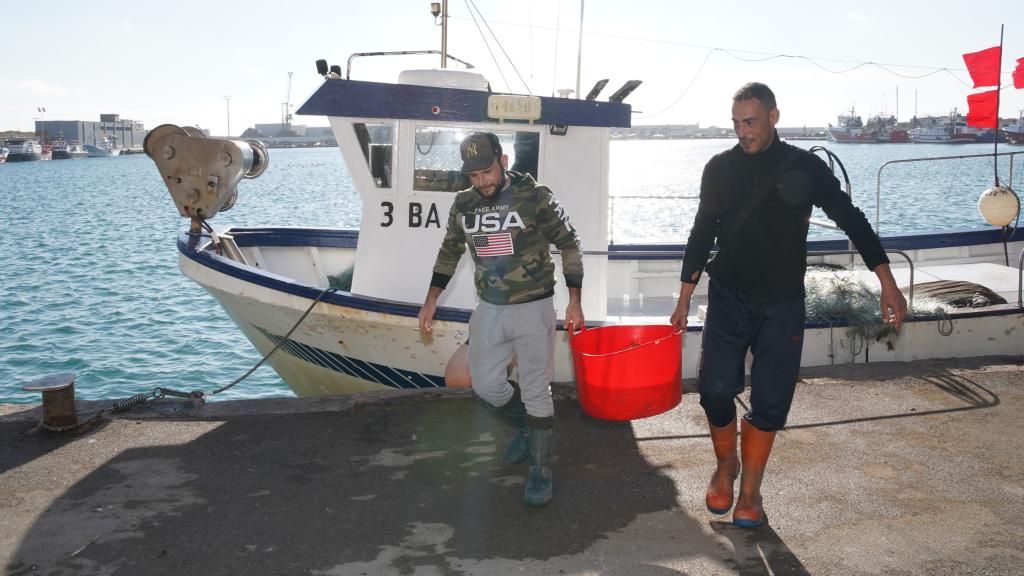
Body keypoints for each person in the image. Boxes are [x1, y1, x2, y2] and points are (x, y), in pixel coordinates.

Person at [670, 82, 907, 528]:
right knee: (716, 389)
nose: (743, 131)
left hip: (782, 299)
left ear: (774, 117)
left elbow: (850, 219)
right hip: (729, 294)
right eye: (737, 123)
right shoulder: (719, 168)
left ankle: (752, 490)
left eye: (751, 122)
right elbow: (702, 231)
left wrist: (887, 282)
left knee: (771, 400)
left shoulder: (805, 166)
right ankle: (726, 467)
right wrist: (685, 295)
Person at [418, 132, 585, 507]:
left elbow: (569, 244)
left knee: (535, 388)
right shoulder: (463, 204)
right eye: (473, 175)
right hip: (489, 307)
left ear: (504, 161)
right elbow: (448, 253)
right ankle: (527, 428)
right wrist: (430, 301)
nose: (482, 181)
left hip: (534, 306)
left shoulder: (536, 196)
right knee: (486, 384)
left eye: (487, 171)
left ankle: (541, 469)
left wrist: (575, 301)